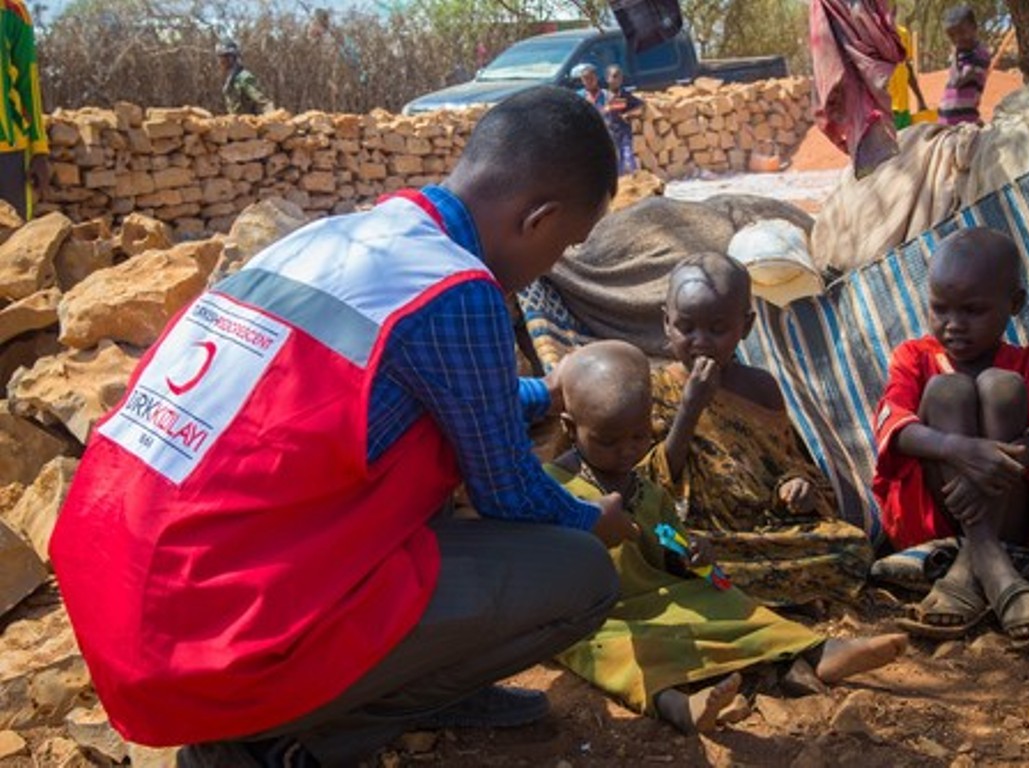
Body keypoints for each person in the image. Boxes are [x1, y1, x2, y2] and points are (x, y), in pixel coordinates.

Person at [50, 87, 635, 768]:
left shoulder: (343, 238)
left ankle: (404, 681)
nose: (553, 264)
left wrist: (544, 393)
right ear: (538, 219)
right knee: (582, 576)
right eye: (564, 246)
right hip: (205, 641)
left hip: (119, 591)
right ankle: (294, 741)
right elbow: (513, 493)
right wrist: (597, 520)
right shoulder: (459, 287)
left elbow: (450, 392)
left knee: (423, 464)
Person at [547, 340, 908, 734]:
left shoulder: (645, 486)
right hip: (596, 616)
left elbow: (667, 540)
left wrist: (688, 554)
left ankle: (816, 649)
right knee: (612, 653)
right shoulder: (553, 487)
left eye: (637, 436)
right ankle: (677, 706)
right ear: (570, 426)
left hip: (662, 598)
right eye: (608, 441)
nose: (626, 451)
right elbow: (543, 566)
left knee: (725, 596)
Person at [872, 227, 1029, 652]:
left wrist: (986, 466)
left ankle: (967, 569)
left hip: (1009, 514)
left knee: (1003, 387)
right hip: (934, 512)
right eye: (939, 309)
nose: (953, 325)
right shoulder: (914, 358)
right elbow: (893, 427)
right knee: (947, 390)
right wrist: (960, 450)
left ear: (1014, 304)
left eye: (973, 311)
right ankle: (996, 570)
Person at [645, 252, 874, 607]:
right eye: (686, 328)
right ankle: (731, 585)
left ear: (746, 326)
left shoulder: (761, 386)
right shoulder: (655, 388)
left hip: (767, 535)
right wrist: (690, 408)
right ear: (666, 323)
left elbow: (788, 462)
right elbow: (651, 482)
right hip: (698, 535)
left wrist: (796, 485)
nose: (701, 341)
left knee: (852, 548)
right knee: (668, 546)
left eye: (718, 329)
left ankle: (721, 587)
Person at [0, 0, 50, 220]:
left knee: (16, 244)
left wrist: (39, 149)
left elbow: (28, 83)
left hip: (8, 152)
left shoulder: (13, 11)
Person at [937, 4, 990, 127]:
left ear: (974, 27)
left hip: (964, 122)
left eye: (962, 32)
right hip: (946, 120)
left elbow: (957, 81)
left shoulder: (979, 54)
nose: (957, 39)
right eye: (952, 35)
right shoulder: (962, 53)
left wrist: (954, 53)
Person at [887, 8, 927, 130]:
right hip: (885, 110)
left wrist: (920, 99)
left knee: (906, 146)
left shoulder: (903, 33)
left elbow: (907, 68)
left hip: (903, 108)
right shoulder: (871, 37)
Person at [603, 64, 644, 175]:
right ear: (607, 79)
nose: (618, 80)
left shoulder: (624, 95)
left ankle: (634, 178)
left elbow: (640, 105)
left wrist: (627, 114)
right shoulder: (603, 96)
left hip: (624, 130)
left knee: (628, 155)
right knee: (616, 159)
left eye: (620, 77)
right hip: (610, 132)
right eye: (615, 76)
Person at [216, 39, 275, 116]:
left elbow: (262, 101)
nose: (221, 61)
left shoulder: (244, 77)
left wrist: (272, 117)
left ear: (233, 58)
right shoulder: (231, 78)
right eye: (220, 57)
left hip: (246, 123)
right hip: (235, 122)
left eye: (225, 56)